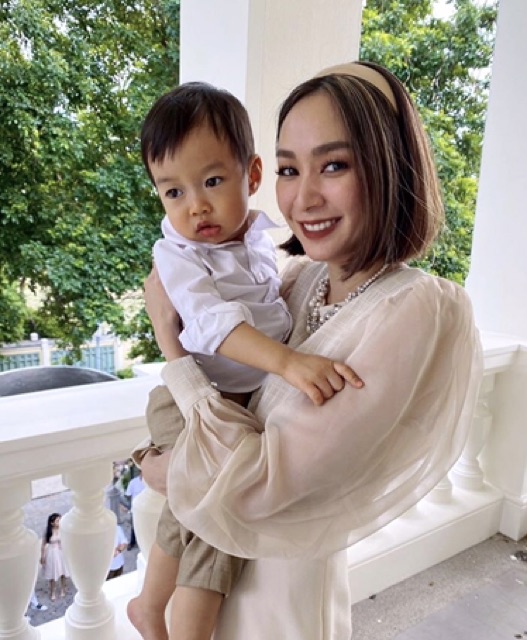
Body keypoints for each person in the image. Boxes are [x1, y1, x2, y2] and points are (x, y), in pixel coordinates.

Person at [140, 61, 483, 640]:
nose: (304, 196)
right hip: (216, 593)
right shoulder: (300, 279)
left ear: (388, 165)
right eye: (288, 169)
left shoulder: (418, 309)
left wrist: (171, 365)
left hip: (281, 609)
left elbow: (259, 488)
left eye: (334, 165)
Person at [127, 82, 361, 640]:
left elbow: (267, 306)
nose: (195, 206)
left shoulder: (258, 241)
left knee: (193, 511)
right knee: (215, 520)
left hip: (233, 402)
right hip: (190, 398)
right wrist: (288, 363)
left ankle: (148, 608)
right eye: (173, 192)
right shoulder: (177, 254)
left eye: (211, 182)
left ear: (251, 176)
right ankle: (167, 621)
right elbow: (211, 323)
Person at [41, 513, 69, 601]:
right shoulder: (48, 531)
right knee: (53, 573)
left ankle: (63, 588)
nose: (59, 522)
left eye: (60, 520)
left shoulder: (63, 530)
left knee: (63, 572)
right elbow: (43, 544)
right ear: (52, 523)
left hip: (62, 552)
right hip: (52, 553)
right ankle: (53, 591)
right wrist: (42, 556)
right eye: (57, 520)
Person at [125, 467, 145, 549]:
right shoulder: (133, 482)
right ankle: (132, 542)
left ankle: (143, 544)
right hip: (135, 510)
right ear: (140, 472)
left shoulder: (150, 483)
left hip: (145, 510)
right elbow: (128, 495)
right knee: (134, 527)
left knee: (144, 527)